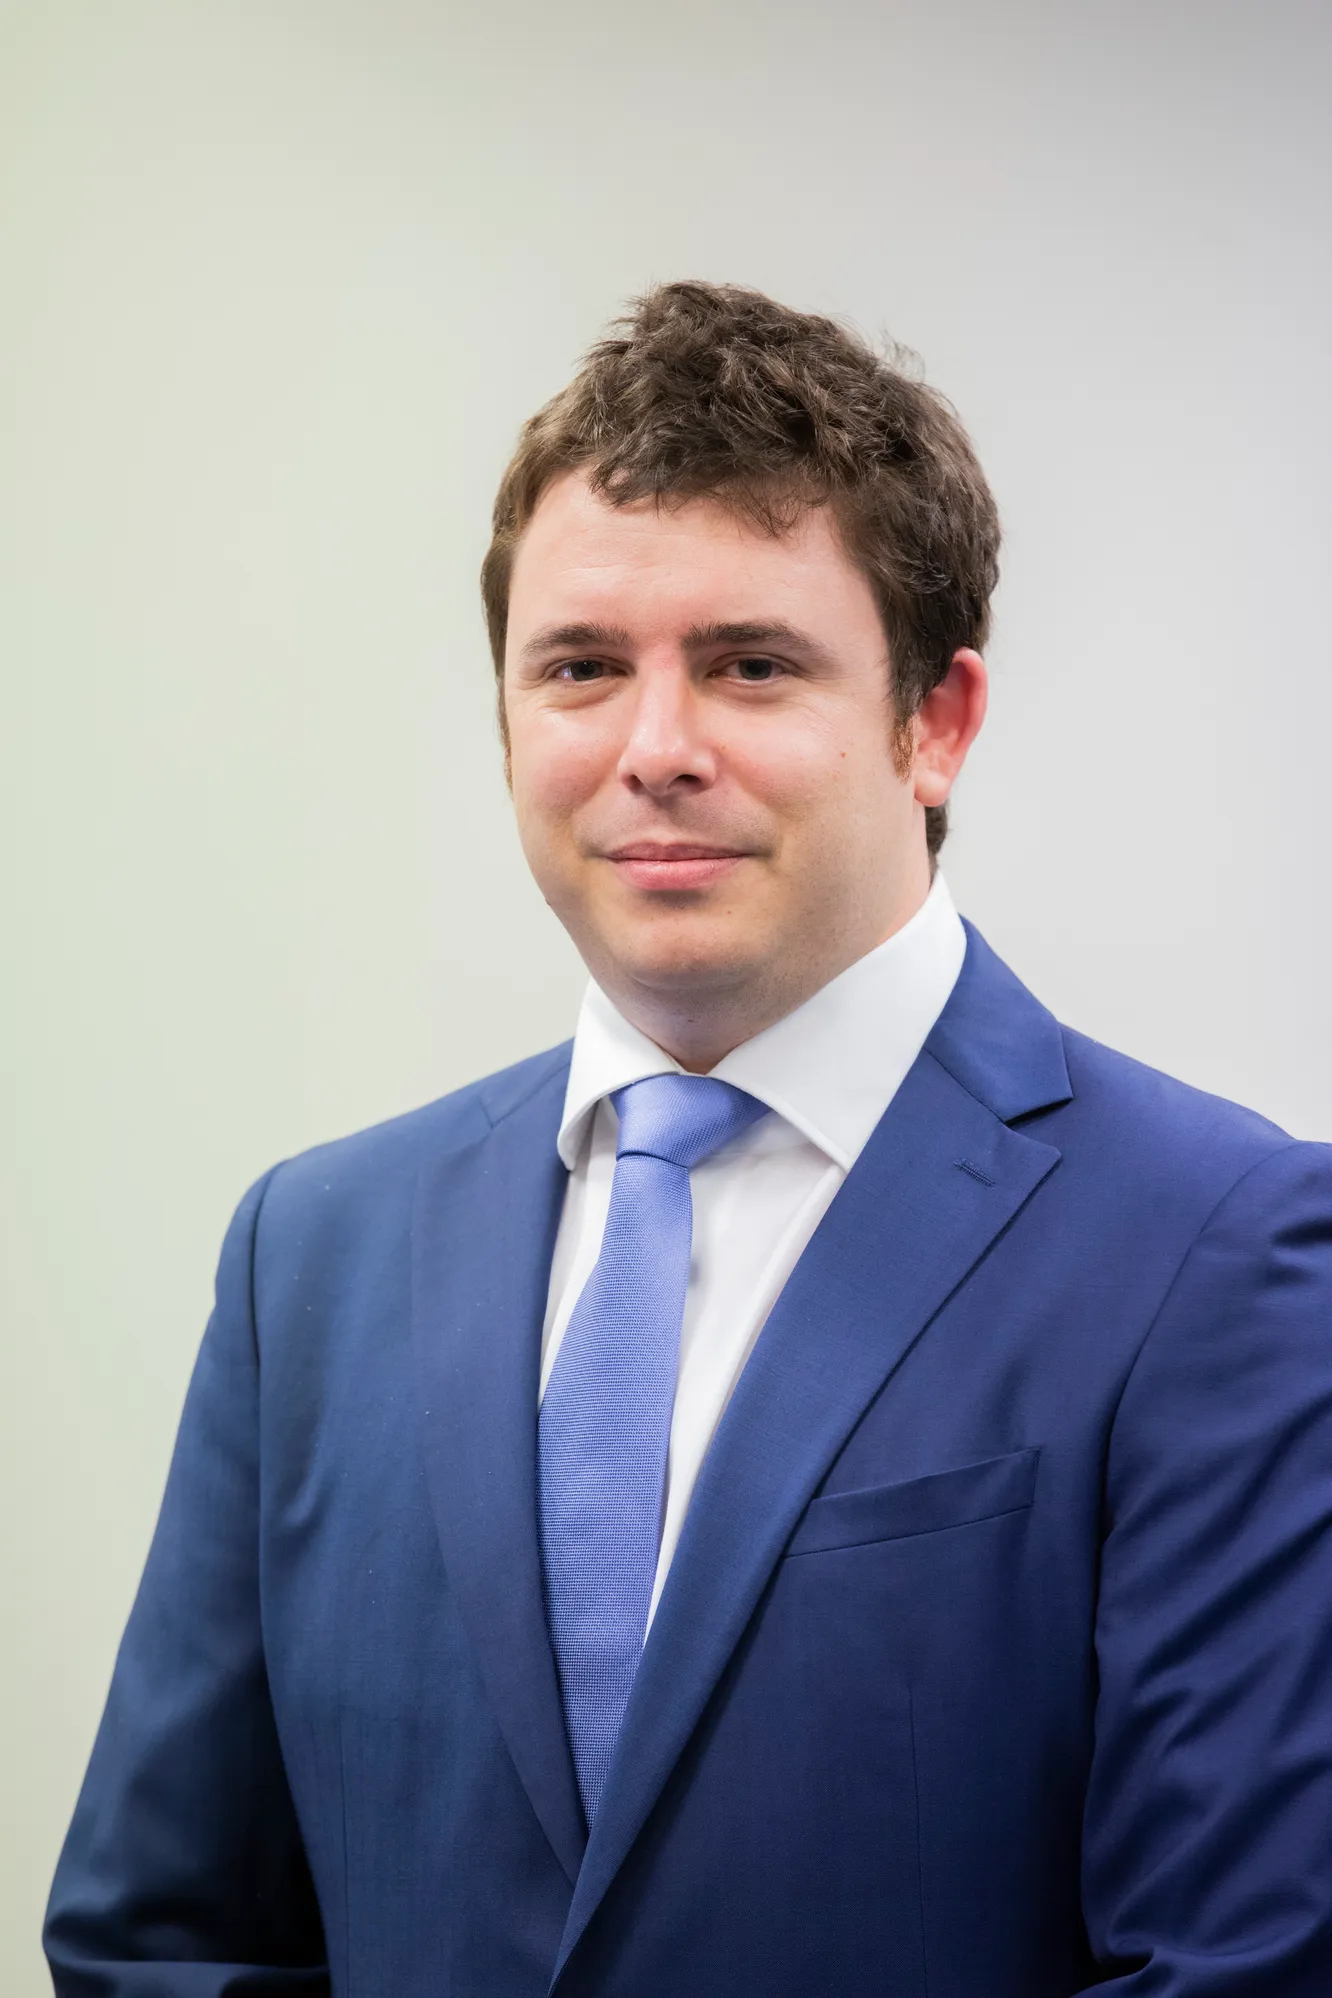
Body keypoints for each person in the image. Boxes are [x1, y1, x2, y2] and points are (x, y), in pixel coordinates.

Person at [45, 280, 1332, 1997]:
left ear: (937, 722)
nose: (656, 750)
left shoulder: (1222, 1249)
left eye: (750, 665)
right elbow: (160, 1941)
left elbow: (1242, 1966)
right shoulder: (313, 1256)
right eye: (582, 667)